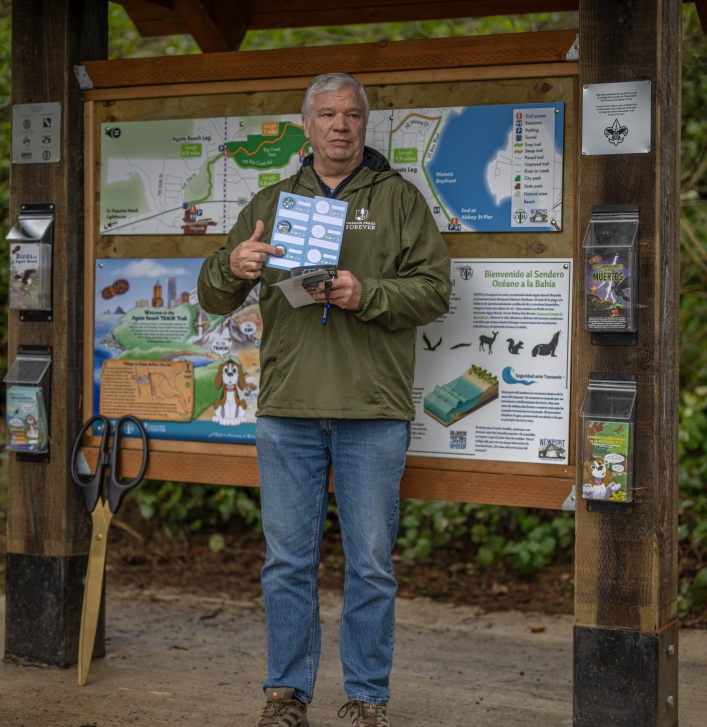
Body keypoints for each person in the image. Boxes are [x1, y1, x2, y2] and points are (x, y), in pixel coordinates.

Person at [197, 72, 451, 727]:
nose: (341, 126)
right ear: (306, 127)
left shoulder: (399, 200)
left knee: (370, 563)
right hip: (287, 411)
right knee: (286, 561)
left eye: (352, 116)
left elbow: (434, 291)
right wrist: (236, 265)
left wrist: (370, 294)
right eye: (328, 115)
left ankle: (368, 697)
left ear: (365, 126)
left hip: (373, 411)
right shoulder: (271, 199)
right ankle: (286, 694)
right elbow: (210, 293)